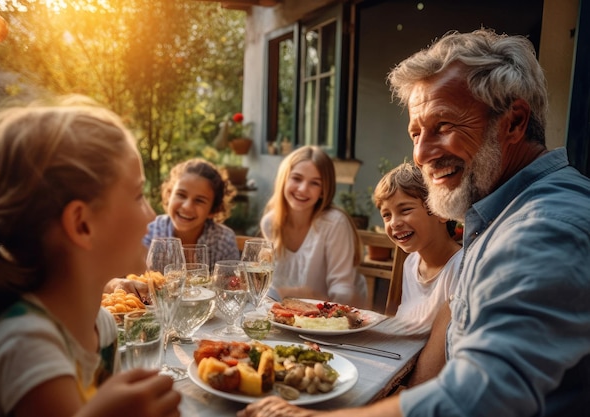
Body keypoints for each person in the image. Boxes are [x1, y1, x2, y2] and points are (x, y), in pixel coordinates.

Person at [238, 28, 590, 417]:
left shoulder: (542, 227)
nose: (422, 154)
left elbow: (481, 398)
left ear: (514, 122)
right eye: (416, 132)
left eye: (444, 126)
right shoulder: (500, 213)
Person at [0, 99, 181, 417]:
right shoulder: (27, 347)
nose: (152, 215)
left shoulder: (102, 326)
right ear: (81, 224)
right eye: (138, 195)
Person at [105, 158, 240, 296]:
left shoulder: (223, 239)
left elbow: (233, 285)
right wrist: (117, 283)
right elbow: (111, 276)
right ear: (169, 195)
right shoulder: (149, 230)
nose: (187, 206)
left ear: (213, 210)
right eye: (181, 195)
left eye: (199, 200)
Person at [260, 145, 367, 308]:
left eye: (314, 183)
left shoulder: (334, 223)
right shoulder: (270, 223)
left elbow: (343, 292)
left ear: (324, 191)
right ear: (284, 180)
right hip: (286, 314)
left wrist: (306, 295)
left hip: (329, 319)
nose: (303, 189)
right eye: (296, 178)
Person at [373, 162, 463, 336]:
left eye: (405, 210)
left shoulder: (461, 267)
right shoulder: (411, 263)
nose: (394, 223)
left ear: (440, 212)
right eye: (386, 215)